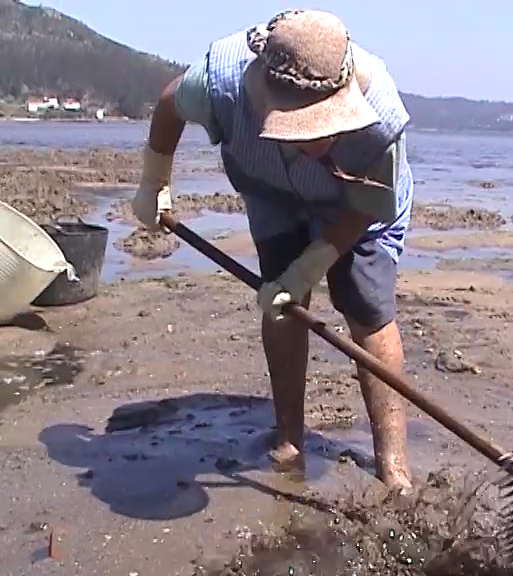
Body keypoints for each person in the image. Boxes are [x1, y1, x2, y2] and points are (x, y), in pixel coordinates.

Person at [131, 9, 414, 490]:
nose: (317, 139)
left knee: (365, 304)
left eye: (326, 125)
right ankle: (289, 438)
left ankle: (394, 464)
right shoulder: (220, 85)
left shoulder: (379, 116)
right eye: (303, 126)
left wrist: (312, 265)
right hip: (269, 189)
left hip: (355, 204)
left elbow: (366, 208)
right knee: (282, 306)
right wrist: (154, 180)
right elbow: (168, 104)